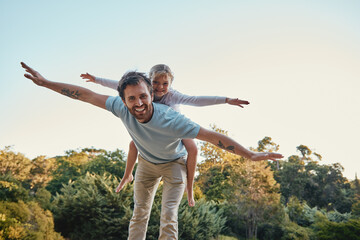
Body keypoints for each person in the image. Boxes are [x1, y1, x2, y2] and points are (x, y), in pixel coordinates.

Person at [21, 62, 283, 240]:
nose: (139, 103)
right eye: (132, 98)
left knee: (168, 214)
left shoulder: (171, 118)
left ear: (151, 93)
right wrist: (46, 84)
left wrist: (250, 154)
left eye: (144, 96)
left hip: (174, 164)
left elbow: (211, 137)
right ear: (123, 100)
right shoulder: (120, 107)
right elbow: (85, 94)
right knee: (139, 213)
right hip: (146, 164)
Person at [80, 64, 250, 207]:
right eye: (155, 82)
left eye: (165, 84)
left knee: (193, 149)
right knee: (134, 144)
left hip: (176, 127)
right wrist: (96, 80)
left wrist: (226, 100)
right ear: (149, 82)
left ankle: (189, 189)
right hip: (155, 128)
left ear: (170, 84)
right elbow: (118, 86)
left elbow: (196, 100)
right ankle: (128, 175)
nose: (160, 87)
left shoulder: (173, 95)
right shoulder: (144, 92)